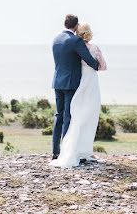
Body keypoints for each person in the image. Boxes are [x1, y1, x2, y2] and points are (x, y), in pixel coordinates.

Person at [51, 19, 107, 167]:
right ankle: (66, 151)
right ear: (75, 26)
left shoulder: (56, 39)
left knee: (59, 115)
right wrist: (96, 65)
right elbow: (89, 60)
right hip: (71, 83)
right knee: (69, 116)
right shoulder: (76, 41)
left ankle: (55, 151)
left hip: (57, 82)